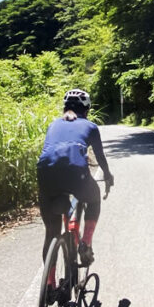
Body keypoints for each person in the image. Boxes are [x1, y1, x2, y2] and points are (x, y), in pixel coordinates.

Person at [37, 88, 114, 266]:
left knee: (51, 233)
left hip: (45, 172)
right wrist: (108, 176)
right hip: (75, 173)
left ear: (65, 108)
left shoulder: (53, 124)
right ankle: (86, 243)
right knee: (94, 198)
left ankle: (50, 286)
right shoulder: (91, 126)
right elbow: (100, 156)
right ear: (87, 109)